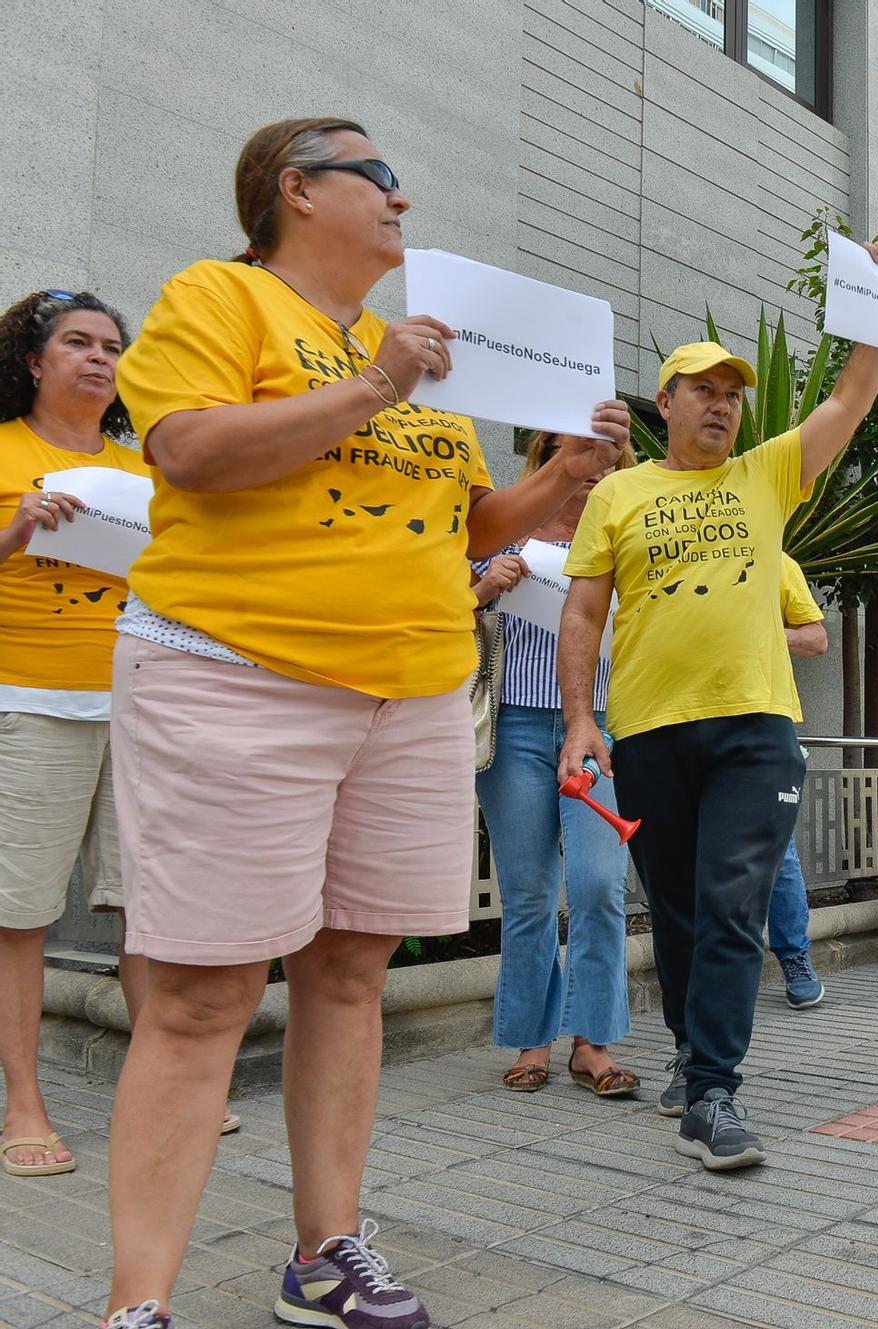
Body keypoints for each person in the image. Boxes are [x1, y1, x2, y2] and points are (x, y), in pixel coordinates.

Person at [103, 117, 629, 1329]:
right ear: (295, 189)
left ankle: (325, 1253)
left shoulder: (412, 359)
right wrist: (380, 381)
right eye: (378, 178)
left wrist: (562, 478)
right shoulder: (222, 297)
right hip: (240, 674)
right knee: (198, 997)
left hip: (411, 697)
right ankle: (138, 1305)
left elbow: (465, 528)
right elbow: (185, 453)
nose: (402, 200)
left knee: (349, 977)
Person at [558, 257, 878, 1170]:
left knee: (729, 901)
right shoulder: (618, 494)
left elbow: (848, 402)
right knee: (674, 909)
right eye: (702, 391)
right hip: (651, 730)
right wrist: (578, 721)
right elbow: (584, 610)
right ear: (663, 403)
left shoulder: (765, 476)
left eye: (732, 394)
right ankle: (688, 1048)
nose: (721, 405)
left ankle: (713, 1091)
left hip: (756, 729)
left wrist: (877, 315)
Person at [0, 289, 151, 1181]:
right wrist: (17, 529)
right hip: (29, 704)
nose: (99, 356)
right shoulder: (6, 449)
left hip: (138, 709)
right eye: (76, 342)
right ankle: (24, 1101)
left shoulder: (145, 468)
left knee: (150, 912)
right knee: (20, 916)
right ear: (33, 359)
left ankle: (162, 1088)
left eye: (110, 344)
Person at [471, 430, 640, 1097]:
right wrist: (485, 586)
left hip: (597, 730)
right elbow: (445, 608)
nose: (594, 475)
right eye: (580, 460)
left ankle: (592, 1042)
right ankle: (532, 1040)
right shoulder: (505, 534)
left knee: (599, 882)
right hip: (513, 722)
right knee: (530, 893)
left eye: (609, 465)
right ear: (544, 464)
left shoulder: (624, 545)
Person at [765, 555, 831, 1007]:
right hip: (684, 715)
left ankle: (794, 957)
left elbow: (816, 638)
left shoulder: (778, 559)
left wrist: (770, 632)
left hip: (768, 718)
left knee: (777, 845)